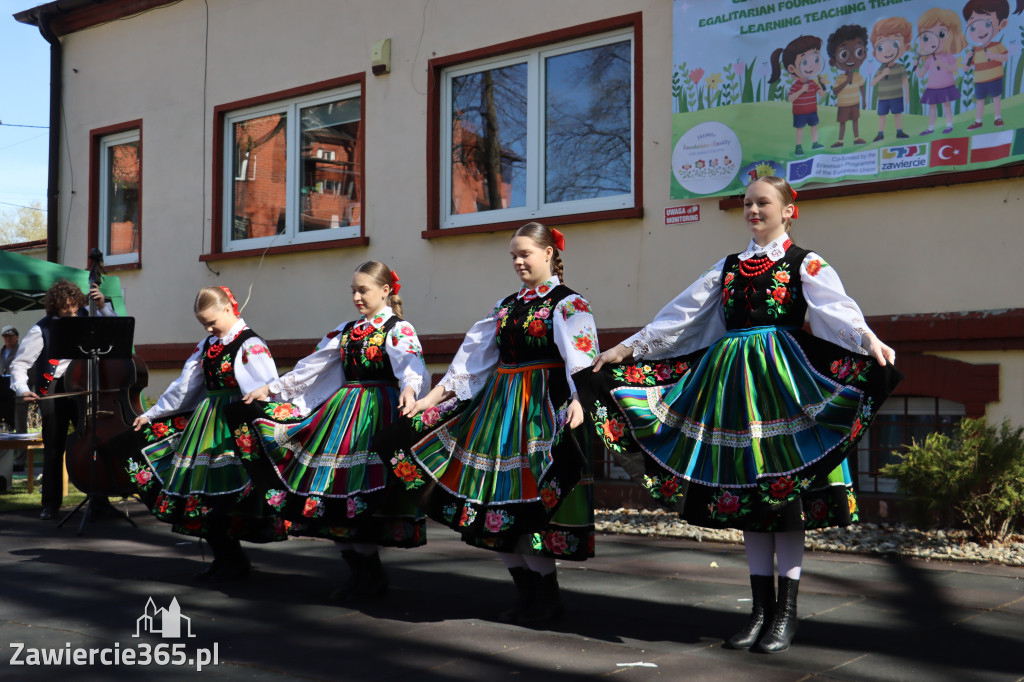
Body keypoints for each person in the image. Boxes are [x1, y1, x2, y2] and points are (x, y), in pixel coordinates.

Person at [576, 176, 902, 653]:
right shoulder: (727, 268)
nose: (752, 210)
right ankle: (759, 612)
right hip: (730, 389)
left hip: (784, 386)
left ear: (790, 210)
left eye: (763, 202)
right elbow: (682, 317)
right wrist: (626, 349)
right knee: (750, 497)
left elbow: (837, 310)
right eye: (747, 203)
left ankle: (785, 615)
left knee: (784, 497)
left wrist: (867, 340)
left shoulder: (803, 262)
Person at [376, 222, 600, 625]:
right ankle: (525, 591)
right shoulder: (506, 305)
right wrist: (431, 398)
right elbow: (471, 361)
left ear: (549, 253)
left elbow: (580, 360)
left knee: (530, 503)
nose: (517, 261)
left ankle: (548, 596)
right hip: (497, 412)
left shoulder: (569, 304)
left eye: (525, 253)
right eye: (513, 255)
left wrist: (580, 401)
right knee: (490, 503)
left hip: (539, 410)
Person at [227, 261, 430, 601]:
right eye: (353, 290)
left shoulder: (398, 328)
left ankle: (370, 574)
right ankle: (360, 571)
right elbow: (313, 366)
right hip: (342, 413)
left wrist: (411, 388)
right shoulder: (347, 330)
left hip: (374, 415)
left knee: (360, 492)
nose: (356, 297)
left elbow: (411, 363)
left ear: (385, 290)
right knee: (330, 490)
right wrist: (272, 390)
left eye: (362, 290)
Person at [126, 286, 283, 579]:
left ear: (228, 309)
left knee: (227, 494)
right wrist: (153, 414)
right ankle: (224, 557)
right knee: (199, 494)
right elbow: (185, 386)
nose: (209, 328)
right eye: (203, 324)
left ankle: (235, 560)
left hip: (233, 425)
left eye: (212, 321)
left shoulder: (250, 344)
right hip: (206, 421)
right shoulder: (207, 345)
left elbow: (265, 388)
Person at [10, 281, 116, 520]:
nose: (71, 312)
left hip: (85, 386)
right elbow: (20, 363)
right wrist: (21, 389)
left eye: (74, 306)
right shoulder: (42, 329)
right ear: (55, 307)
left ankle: (100, 500)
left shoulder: (88, 316)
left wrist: (102, 307)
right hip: (55, 388)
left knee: (94, 443)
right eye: (65, 308)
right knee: (54, 447)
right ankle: (50, 503)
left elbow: (114, 333)